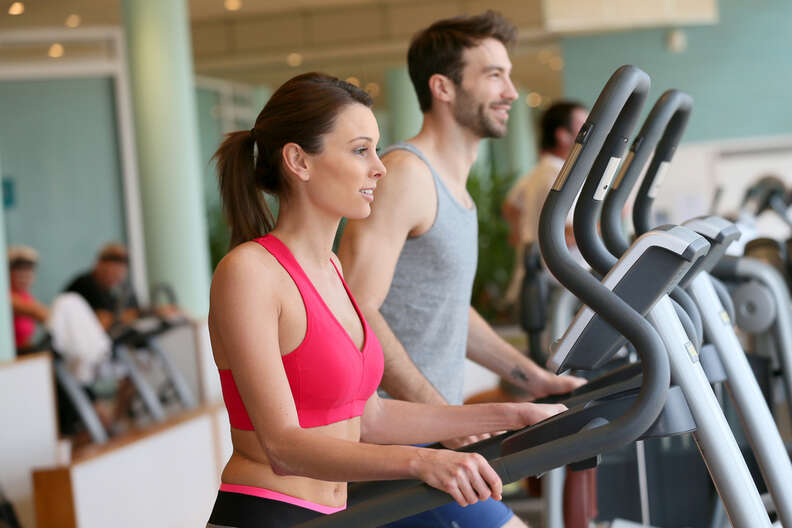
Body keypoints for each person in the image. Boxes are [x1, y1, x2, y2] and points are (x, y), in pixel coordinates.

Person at [206, 72, 566, 528]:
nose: (379, 167)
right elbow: (282, 445)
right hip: (266, 515)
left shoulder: (333, 270)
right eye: (360, 150)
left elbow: (368, 417)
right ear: (299, 160)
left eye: (376, 149)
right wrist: (420, 463)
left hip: (334, 513)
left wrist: (510, 413)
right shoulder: (250, 273)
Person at [337, 12, 585, 528]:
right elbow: (355, 308)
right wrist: (442, 419)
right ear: (443, 87)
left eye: (508, 74)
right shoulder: (406, 175)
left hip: (432, 436)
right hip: (400, 447)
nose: (511, 91)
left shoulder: (456, 191)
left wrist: (532, 377)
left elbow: (450, 310)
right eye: (493, 74)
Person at [502, 101, 588, 305]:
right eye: (583, 125)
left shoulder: (538, 172)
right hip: (557, 287)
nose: (591, 130)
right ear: (562, 135)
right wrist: (607, 219)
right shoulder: (558, 176)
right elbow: (567, 235)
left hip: (542, 279)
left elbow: (509, 206)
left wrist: (522, 232)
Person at [63, 242, 139, 330]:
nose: (116, 276)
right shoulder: (84, 284)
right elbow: (101, 321)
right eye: (112, 273)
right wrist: (123, 317)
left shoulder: (123, 288)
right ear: (99, 264)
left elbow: (135, 312)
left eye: (118, 274)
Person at [8, 245, 49, 349]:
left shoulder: (27, 297)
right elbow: (37, 312)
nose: (24, 277)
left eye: (28, 272)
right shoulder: (8, 297)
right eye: (19, 271)